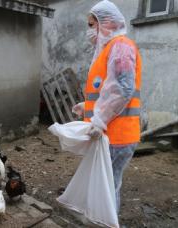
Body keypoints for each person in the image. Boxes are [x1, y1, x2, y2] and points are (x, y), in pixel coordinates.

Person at [72, 0, 142, 213]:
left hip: (117, 135)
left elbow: (122, 89)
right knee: (106, 185)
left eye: (92, 25)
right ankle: (102, 220)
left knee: (107, 187)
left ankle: (106, 222)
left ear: (107, 23)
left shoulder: (120, 47)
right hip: (111, 133)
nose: (89, 31)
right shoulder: (110, 49)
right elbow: (108, 89)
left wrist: (99, 120)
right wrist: (89, 106)